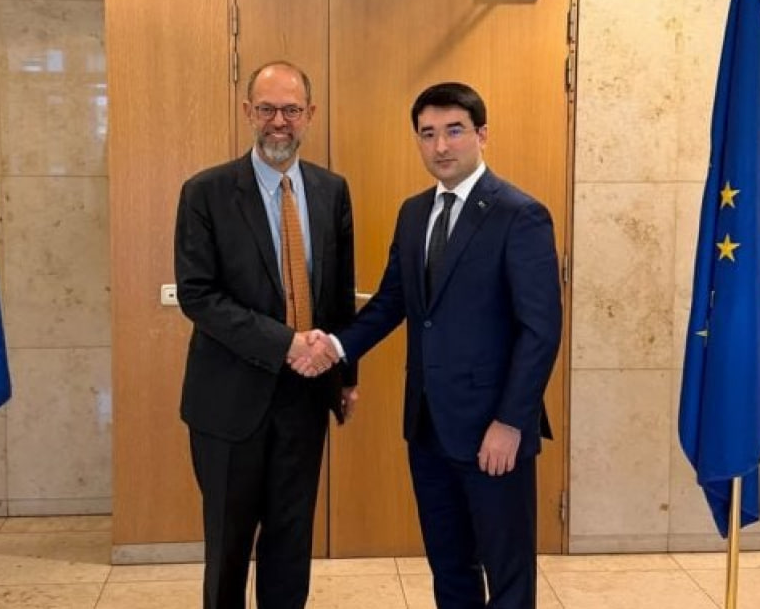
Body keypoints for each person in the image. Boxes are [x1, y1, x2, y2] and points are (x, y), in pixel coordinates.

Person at [295, 82, 561, 609]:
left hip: (494, 430)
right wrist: (336, 347)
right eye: (428, 134)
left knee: (507, 573)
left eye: (454, 131)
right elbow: (393, 302)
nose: (441, 146)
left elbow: (540, 331)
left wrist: (511, 422)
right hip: (428, 427)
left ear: (482, 134)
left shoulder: (519, 214)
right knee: (450, 566)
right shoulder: (414, 213)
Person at [175, 61, 357, 609]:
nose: (279, 121)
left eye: (291, 110)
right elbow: (198, 295)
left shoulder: (331, 190)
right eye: (267, 109)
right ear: (247, 111)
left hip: (306, 398)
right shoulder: (205, 192)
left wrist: (346, 375)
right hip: (228, 404)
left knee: (290, 544)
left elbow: (339, 292)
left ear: (311, 114)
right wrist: (286, 344)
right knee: (228, 548)